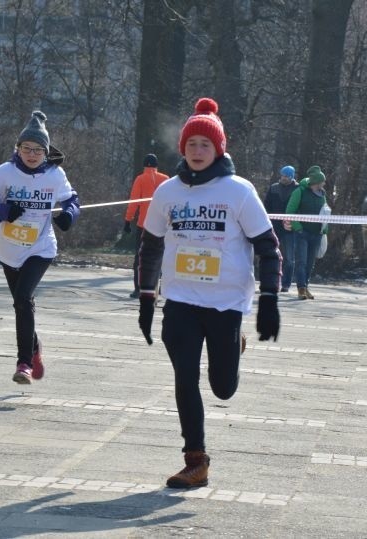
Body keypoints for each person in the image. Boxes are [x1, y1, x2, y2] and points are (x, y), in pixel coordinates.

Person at [136, 97, 281, 488]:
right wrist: (147, 298)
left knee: (223, 388)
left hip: (225, 303)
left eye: (206, 145)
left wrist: (270, 300)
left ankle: (234, 349)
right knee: (185, 378)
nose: (198, 151)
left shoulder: (238, 191)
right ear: (181, 149)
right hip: (181, 301)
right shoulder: (167, 192)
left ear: (219, 149)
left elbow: (268, 248)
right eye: (191, 144)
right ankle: (195, 460)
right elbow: (150, 247)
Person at [0, 111, 80, 384]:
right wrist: (4, 211)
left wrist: (68, 215)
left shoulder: (55, 175)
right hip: (9, 251)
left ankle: (24, 364)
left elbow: (72, 200)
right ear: (17, 149)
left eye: (37, 150)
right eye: (26, 149)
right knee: (22, 304)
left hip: (40, 248)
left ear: (46, 152)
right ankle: (34, 350)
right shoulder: (2, 174)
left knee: (22, 299)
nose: (31, 155)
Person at [124, 153, 169, 298]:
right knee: (162, 256)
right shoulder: (166, 180)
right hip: (163, 225)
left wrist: (127, 220)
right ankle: (161, 286)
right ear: (157, 165)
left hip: (144, 225)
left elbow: (134, 201)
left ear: (144, 165)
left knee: (141, 257)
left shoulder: (140, 179)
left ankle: (139, 289)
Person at [284, 165, 328, 300]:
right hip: (302, 233)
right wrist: (298, 228)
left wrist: (324, 229)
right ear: (316, 182)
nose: (324, 184)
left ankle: (306, 286)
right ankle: (301, 288)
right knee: (301, 262)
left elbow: (325, 212)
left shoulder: (322, 195)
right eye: (322, 181)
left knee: (310, 263)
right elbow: (290, 211)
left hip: (317, 234)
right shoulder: (300, 192)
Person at [263, 165, 298, 292]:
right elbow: (266, 206)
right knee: (272, 255)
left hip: (290, 228)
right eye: (282, 175)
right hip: (274, 227)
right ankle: (272, 281)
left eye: (286, 176)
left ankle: (286, 284)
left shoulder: (298, 189)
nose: (283, 178)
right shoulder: (273, 188)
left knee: (289, 258)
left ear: (291, 177)